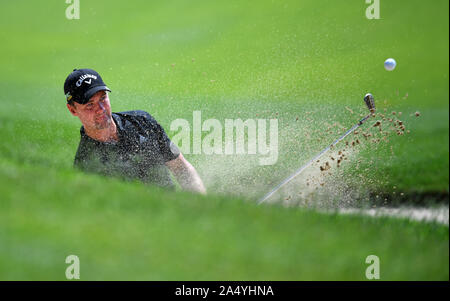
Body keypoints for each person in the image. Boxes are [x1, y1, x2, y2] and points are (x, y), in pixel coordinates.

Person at [64, 68, 206, 194]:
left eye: (103, 98)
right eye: (90, 105)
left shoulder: (142, 122)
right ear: (72, 110)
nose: (101, 109)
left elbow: (181, 168)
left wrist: (198, 204)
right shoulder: (87, 164)